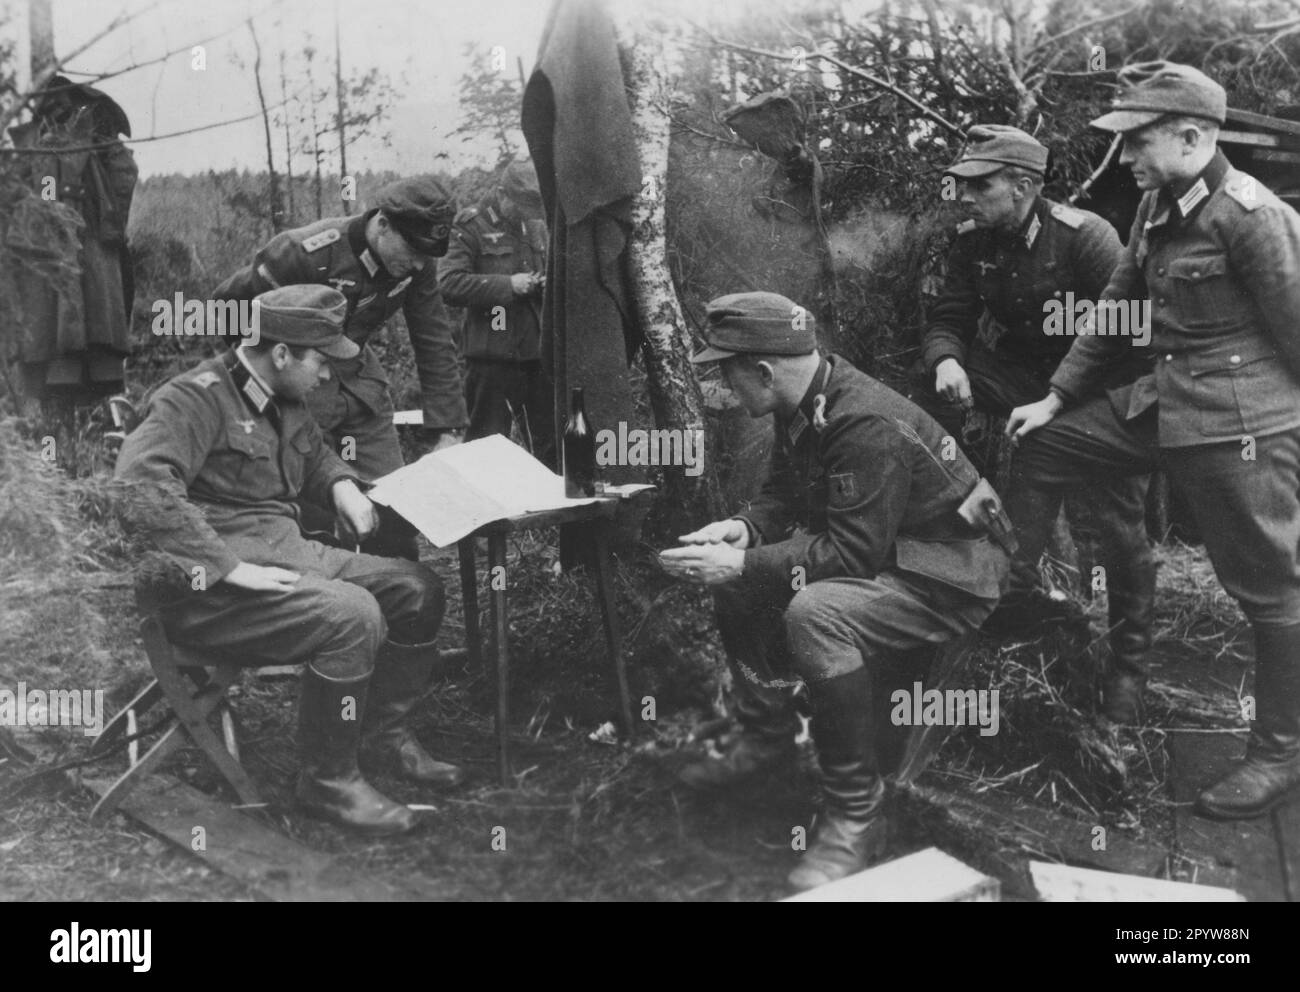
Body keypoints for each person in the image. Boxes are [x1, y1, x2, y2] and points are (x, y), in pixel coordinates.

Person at [1005, 62, 1300, 820]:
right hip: (1159, 404)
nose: (1126, 157)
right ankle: (1017, 607)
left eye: (1138, 142)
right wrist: (1057, 396)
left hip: (1239, 426)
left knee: (1268, 589)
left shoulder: (1252, 215)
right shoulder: (1156, 205)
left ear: (1193, 137)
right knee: (1044, 447)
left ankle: (1278, 751)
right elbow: (1114, 305)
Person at [661, 291, 1013, 890]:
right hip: (898, 551)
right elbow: (784, 495)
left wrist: (741, 564)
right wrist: (742, 530)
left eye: (726, 372)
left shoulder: (862, 421)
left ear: (765, 372)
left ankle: (856, 812)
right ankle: (766, 739)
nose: (722, 386)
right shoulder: (808, 400)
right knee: (742, 572)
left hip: (953, 572)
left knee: (815, 612)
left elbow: (851, 555)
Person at [114, 285, 464, 836]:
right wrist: (227, 565)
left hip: (287, 554)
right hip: (206, 588)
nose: (327, 376)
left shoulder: (286, 395)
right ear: (281, 354)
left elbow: (316, 455)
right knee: (353, 615)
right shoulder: (194, 398)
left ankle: (380, 737)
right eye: (321, 362)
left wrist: (343, 485)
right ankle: (327, 782)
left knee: (417, 589)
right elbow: (138, 484)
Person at [919, 125, 1155, 659]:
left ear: (1023, 188)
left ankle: (1128, 656)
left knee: (1119, 524)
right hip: (1021, 379)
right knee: (924, 398)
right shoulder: (974, 243)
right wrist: (947, 360)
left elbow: (1133, 336)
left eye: (981, 187)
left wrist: (1068, 403)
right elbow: (948, 316)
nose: (966, 199)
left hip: (1101, 386)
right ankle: (963, 553)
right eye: (964, 187)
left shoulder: (1084, 237)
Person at [212, 177, 468, 558]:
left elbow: (433, 341)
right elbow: (232, 319)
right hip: (298, 381)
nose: (417, 263)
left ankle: (399, 594)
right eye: (413, 249)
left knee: (389, 502)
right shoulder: (304, 253)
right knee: (313, 507)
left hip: (357, 382)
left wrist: (447, 430)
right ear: (382, 224)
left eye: (425, 256)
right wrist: (264, 396)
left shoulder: (417, 265)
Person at [439, 157, 554, 466]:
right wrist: (508, 285)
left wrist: (541, 284)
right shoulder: (470, 226)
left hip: (536, 357)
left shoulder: (535, 225)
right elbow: (449, 284)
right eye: (520, 206)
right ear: (502, 193)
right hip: (492, 362)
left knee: (551, 449)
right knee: (485, 454)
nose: (527, 215)